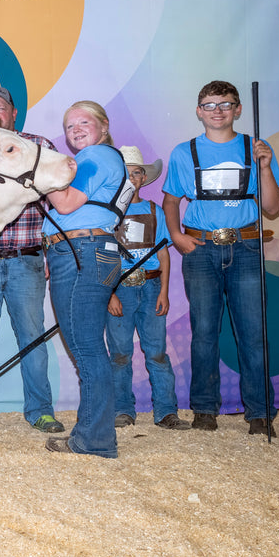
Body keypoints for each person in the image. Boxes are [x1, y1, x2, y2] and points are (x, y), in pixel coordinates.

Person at [162, 80, 279, 436]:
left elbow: (273, 208)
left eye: (226, 104)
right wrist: (177, 237)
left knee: (253, 333)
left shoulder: (257, 148)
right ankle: (204, 409)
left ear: (239, 109)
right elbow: (171, 200)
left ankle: (261, 413)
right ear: (199, 111)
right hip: (200, 250)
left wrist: (264, 167)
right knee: (204, 331)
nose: (218, 111)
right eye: (210, 104)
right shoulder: (184, 153)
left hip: (246, 247)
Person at [0, 87, 65, 436]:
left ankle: (40, 410)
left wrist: (52, 250)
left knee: (32, 337)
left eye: (0, 107)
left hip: (27, 258)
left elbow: (57, 203)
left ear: (13, 113)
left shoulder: (37, 147)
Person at [42, 100, 127, 457]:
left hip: (83, 252)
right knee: (87, 346)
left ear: (103, 126)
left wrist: (40, 172)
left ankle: (95, 440)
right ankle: (93, 433)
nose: (75, 129)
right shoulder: (93, 159)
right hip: (84, 251)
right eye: (69, 125)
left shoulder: (97, 156)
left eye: (83, 122)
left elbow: (64, 204)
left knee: (86, 348)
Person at [106, 146, 189, 430]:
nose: (132, 178)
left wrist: (164, 291)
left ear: (144, 178)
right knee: (119, 354)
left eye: (137, 172)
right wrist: (111, 293)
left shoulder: (153, 210)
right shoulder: (106, 214)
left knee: (157, 352)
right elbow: (103, 257)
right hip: (120, 291)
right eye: (126, 173)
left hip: (152, 286)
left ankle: (166, 411)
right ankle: (122, 410)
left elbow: (163, 253)